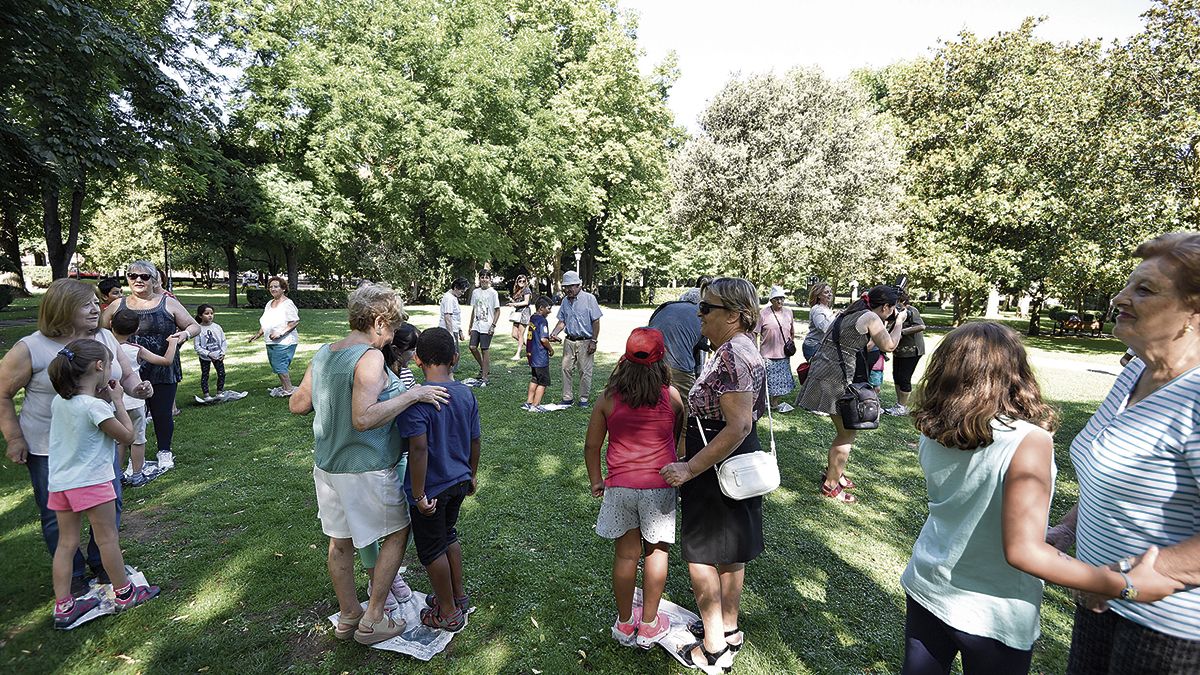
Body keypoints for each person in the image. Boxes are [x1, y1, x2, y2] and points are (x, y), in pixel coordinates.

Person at [900, 322, 1177, 673]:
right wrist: (1126, 586)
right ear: (1016, 372)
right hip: (991, 612)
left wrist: (1063, 529)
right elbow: (1024, 552)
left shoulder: (936, 428)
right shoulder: (1027, 440)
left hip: (927, 583)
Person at [1043, 232, 1200, 672]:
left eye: (1144, 290)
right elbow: (1112, 474)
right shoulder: (1135, 374)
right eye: (1129, 284)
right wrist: (1067, 529)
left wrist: (1134, 576)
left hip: (1169, 630)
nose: (1119, 297)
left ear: (1194, 311)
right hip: (1102, 600)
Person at [289, 284, 450, 645]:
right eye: (391, 328)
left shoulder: (324, 353)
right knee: (397, 531)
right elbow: (363, 418)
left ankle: (349, 615)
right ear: (378, 322)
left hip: (327, 466)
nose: (391, 337)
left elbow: (298, 404)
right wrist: (412, 395)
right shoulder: (371, 357)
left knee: (340, 541)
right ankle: (374, 617)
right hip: (365, 467)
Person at [1, 279, 153, 597]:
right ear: (62, 309)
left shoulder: (103, 337)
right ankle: (74, 577)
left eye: (95, 303)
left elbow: (125, 374)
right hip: (49, 449)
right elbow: (2, 394)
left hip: (100, 445)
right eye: (86, 304)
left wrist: (138, 386)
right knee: (56, 517)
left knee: (111, 506)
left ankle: (103, 564)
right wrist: (14, 437)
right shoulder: (31, 348)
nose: (96, 308)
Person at [660, 277, 767, 673]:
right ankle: (729, 628)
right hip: (730, 464)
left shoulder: (733, 355)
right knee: (730, 551)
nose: (699, 313)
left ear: (735, 315)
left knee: (702, 555)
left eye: (707, 308)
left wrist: (689, 467)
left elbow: (737, 425)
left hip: (719, 467)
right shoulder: (738, 348)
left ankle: (713, 646)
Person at [45, 339, 160, 628]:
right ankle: (124, 593)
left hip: (60, 483)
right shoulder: (94, 408)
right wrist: (119, 401)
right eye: (109, 365)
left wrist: (104, 399)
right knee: (107, 538)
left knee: (67, 543)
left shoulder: (60, 401)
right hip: (93, 483)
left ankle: (64, 605)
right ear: (100, 367)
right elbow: (127, 436)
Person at [584, 328, 685, 649]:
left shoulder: (608, 398)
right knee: (657, 552)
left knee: (626, 555)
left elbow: (591, 445)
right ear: (661, 361)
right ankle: (651, 624)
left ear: (624, 360)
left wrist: (596, 480)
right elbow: (678, 431)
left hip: (620, 486)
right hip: (659, 485)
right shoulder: (671, 396)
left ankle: (626, 623)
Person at [396, 327, 481, 632]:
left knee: (432, 549)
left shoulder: (416, 401)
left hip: (431, 492)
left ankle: (448, 612)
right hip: (459, 481)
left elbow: (418, 449)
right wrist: (471, 474)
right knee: (449, 536)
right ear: (456, 358)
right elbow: (475, 440)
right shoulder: (466, 394)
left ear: (417, 359)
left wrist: (418, 495)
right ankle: (457, 596)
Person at [797, 285, 906, 504]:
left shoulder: (851, 313)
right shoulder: (870, 317)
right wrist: (900, 322)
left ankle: (834, 473)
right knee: (846, 434)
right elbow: (890, 345)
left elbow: (863, 345)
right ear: (885, 306)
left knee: (844, 431)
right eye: (892, 309)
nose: (892, 313)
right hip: (835, 378)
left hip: (824, 372)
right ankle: (831, 485)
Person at [102, 260, 199, 471]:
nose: (138, 280)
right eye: (132, 275)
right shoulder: (118, 305)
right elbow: (99, 332)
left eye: (144, 276)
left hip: (162, 367)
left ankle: (165, 451)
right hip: (128, 370)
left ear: (154, 280)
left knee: (162, 412)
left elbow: (194, 325)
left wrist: (183, 334)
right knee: (129, 414)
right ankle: (133, 459)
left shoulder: (168, 302)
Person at [109, 309, 183, 485]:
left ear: (111, 324)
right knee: (137, 439)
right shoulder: (136, 349)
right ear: (135, 331)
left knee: (118, 440)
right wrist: (172, 343)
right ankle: (137, 475)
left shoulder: (103, 348)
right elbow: (166, 361)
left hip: (113, 400)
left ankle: (117, 476)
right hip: (135, 400)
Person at [549, 270, 603, 408]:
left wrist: (594, 341)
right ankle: (567, 398)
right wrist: (554, 333)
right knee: (565, 369)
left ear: (579, 285)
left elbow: (596, 321)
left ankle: (583, 399)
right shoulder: (565, 301)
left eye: (571, 286)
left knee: (584, 371)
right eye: (566, 287)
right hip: (569, 341)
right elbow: (562, 321)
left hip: (586, 340)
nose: (568, 289)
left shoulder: (589, 299)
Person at [648, 286, 706, 400]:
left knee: (656, 403)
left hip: (651, 364)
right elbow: (700, 361)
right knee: (685, 407)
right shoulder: (702, 314)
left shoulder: (667, 306)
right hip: (680, 368)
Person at [249, 277, 300, 397]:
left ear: (283, 288)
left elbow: (294, 321)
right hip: (270, 341)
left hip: (285, 341)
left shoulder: (287, 304)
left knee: (280, 365)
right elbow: (266, 322)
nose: (273, 289)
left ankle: (288, 389)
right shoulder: (269, 303)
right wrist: (258, 334)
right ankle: (285, 387)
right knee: (276, 365)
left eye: (276, 286)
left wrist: (280, 333)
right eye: (271, 287)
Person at [192, 304, 246, 404]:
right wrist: (208, 354)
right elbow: (197, 346)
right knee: (205, 375)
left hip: (218, 356)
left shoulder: (217, 327)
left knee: (221, 373)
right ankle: (206, 395)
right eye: (206, 313)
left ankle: (219, 393)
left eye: (212, 313)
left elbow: (223, 341)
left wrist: (222, 353)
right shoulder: (198, 329)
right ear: (200, 316)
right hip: (205, 357)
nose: (210, 316)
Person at [754, 285, 795, 413]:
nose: (780, 301)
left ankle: (774, 402)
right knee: (767, 380)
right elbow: (756, 332)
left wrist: (791, 342)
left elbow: (792, 331)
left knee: (781, 380)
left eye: (782, 298)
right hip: (767, 353)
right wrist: (755, 349)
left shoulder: (789, 312)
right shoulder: (763, 313)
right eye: (777, 299)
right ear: (771, 300)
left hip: (783, 353)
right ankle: (764, 401)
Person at [887, 291, 926, 416]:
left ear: (903, 301)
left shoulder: (911, 310)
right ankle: (899, 404)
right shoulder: (894, 311)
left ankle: (903, 407)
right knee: (896, 376)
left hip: (912, 350)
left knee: (904, 377)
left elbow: (921, 326)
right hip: (899, 350)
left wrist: (902, 332)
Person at [465, 271, 500, 387]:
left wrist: (493, 325)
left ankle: (485, 377)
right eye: (482, 277)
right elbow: (474, 309)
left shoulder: (493, 293)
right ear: (479, 279)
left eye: (486, 277)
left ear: (490, 279)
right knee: (472, 347)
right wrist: (470, 326)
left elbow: (497, 311)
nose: (484, 279)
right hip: (476, 324)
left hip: (487, 325)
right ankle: (484, 367)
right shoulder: (475, 292)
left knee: (485, 350)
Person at [523, 296, 553, 412]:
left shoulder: (533, 318)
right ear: (541, 308)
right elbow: (544, 340)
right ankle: (535, 405)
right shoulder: (542, 321)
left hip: (532, 355)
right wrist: (551, 349)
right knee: (543, 381)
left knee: (535, 378)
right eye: (548, 308)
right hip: (540, 356)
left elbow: (536, 335)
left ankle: (529, 402)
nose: (550, 311)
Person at [801, 283, 835, 361]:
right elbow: (823, 328)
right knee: (817, 372)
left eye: (830, 292)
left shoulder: (827, 308)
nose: (829, 294)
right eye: (826, 292)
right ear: (819, 296)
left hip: (823, 346)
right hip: (814, 346)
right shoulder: (817, 309)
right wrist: (835, 315)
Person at [507, 274, 534, 361]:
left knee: (520, 334)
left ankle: (518, 354)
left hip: (524, 313)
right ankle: (529, 347)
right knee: (514, 334)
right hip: (518, 313)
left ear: (526, 282)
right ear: (517, 282)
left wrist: (514, 303)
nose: (522, 282)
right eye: (520, 281)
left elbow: (526, 302)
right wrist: (512, 302)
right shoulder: (518, 290)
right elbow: (518, 303)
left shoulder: (526, 290)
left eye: (523, 281)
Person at [439, 277, 469, 344]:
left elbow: (455, 317)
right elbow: (447, 317)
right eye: (462, 291)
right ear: (455, 288)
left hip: (454, 330)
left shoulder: (453, 297)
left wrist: (460, 331)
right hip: (447, 331)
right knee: (454, 353)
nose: (463, 294)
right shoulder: (449, 298)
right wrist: (451, 335)